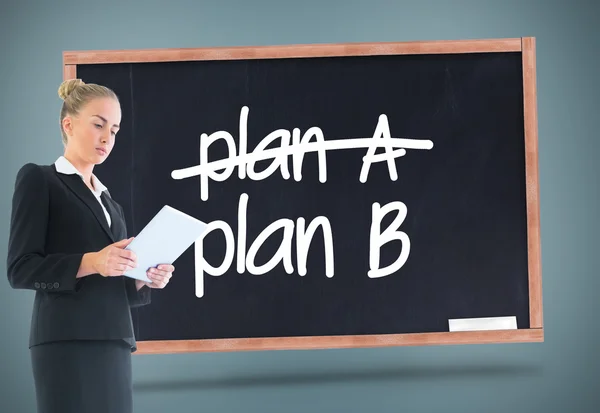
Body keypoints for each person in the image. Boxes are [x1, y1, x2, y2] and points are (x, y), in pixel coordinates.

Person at [6, 78, 175, 413]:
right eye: (98, 124)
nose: (106, 137)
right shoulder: (39, 179)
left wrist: (143, 277)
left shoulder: (111, 204)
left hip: (114, 340)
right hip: (66, 340)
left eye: (114, 129)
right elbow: (20, 269)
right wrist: (92, 262)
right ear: (68, 124)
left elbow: (120, 288)